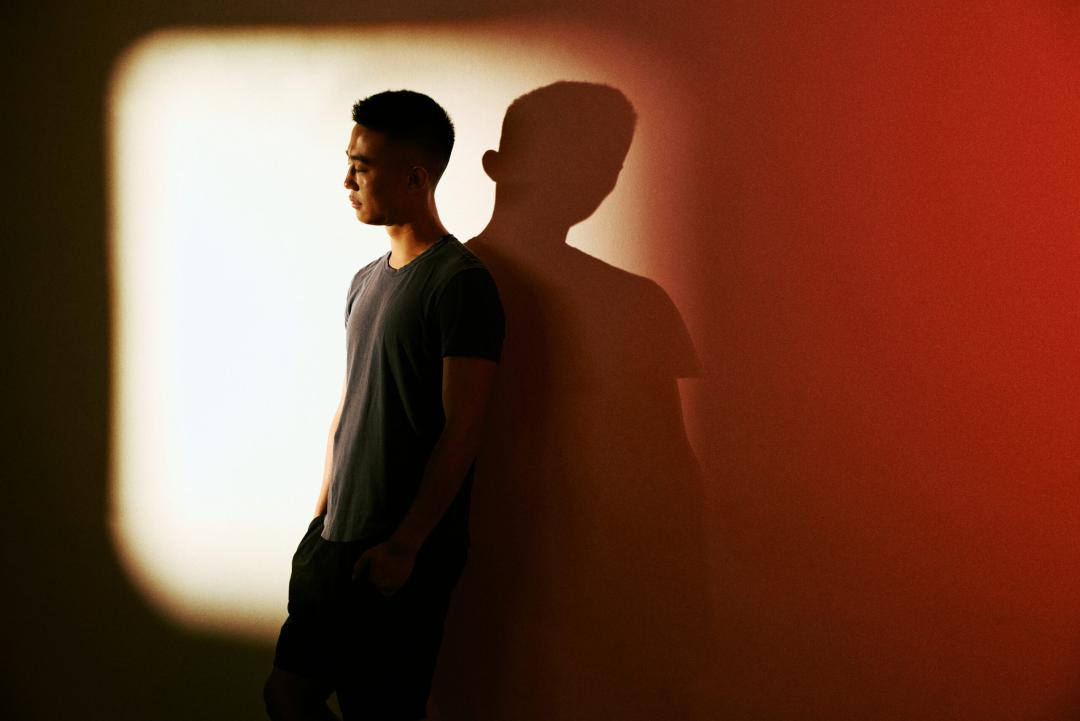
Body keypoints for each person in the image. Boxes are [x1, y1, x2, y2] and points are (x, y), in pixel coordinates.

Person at [263, 90, 505, 721]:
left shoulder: (461, 284)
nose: (347, 181)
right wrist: (320, 520)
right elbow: (349, 406)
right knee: (287, 696)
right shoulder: (364, 281)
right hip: (335, 542)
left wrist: (406, 544)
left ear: (415, 178)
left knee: (380, 713)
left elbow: (465, 427)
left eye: (361, 167)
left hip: (397, 554)